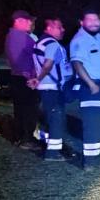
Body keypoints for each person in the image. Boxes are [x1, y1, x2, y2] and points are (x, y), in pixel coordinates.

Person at [70, 10, 100, 170]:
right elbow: (77, 63)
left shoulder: (99, 38)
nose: (95, 23)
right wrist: (91, 84)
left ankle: (94, 155)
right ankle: (91, 162)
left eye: (96, 19)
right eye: (90, 20)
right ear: (81, 22)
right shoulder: (80, 40)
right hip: (90, 88)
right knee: (92, 124)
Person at [27, 18, 73, 161]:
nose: (63, 29)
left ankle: (47, 141)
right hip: (52, 86)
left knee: (50, 117)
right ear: (49, 29)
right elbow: (48, 65)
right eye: (59, 27)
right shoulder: (52, 44)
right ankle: (53, 153)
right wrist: (38, 79)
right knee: (56, 118)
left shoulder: (40, 43)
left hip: (46, 87)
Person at [5, 10, 40, 149]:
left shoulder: (16, 35)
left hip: (21, 77)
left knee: (22, 109)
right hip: (25, 78)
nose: (30, 23)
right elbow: (17, 59)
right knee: (28, 109)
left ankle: (21, 137)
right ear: (18, 21)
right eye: (27, 21)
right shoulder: (19, 36)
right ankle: (26, 138)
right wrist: (29, 76)